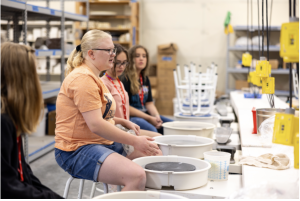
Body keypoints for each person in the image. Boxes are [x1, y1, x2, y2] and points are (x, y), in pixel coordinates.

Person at [54, 30, 161, 191]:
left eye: (113, 50)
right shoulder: (83, 79)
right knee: (137, 176)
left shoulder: (95, 77)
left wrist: (121, 121)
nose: (113, 54)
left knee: (155, 157)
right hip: (76, 149)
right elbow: (96, 124)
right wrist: (134, 140)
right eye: (108, 50)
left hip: (100, 142)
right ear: (91, 54)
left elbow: (99, 116)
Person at [1, 42, 63, 199]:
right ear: (22, 77)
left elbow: (23, 172)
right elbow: (6, 186)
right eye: (33, 71)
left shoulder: (10, 116)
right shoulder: (3, 122)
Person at [101, 44, 161, 138]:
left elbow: (148, 103)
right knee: (155, 140)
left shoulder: (118, 81)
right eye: (118, 63)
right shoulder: (104, 83)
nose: (121, 67)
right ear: (109, 61)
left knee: (158, 137)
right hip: (116, 130)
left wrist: (156, 115)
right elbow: (104, 118)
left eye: (124, 63)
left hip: (126, 127)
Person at [121, 45, 173, 135]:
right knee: (152, 130)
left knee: (173, 126)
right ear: (130, 59)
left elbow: (149, 103)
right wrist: (149, 118)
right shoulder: (125, 78)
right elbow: (126, 107)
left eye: (144, 56)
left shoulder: (144, 79)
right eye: (137, 56)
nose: (141, 59)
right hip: (131, 117)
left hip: (145, 114)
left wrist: (156, 116)